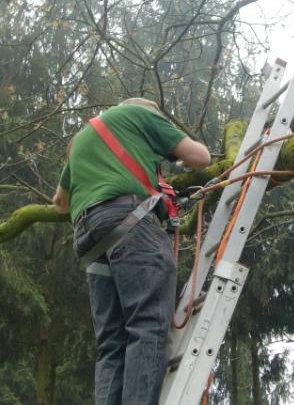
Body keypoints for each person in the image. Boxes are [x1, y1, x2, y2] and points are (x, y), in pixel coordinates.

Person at [52, 97, 210, 405]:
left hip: (90, 237)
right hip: (130, 222)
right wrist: (174, 158)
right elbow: (201, 157)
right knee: (148, 325)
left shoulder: (81, 139)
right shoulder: (142, 114)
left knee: (112, 342)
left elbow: (60, 201)